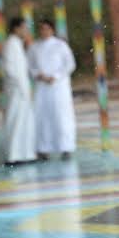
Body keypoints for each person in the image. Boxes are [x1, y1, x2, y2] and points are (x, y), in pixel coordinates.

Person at [28, 19, 76, 160]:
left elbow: (70, 64)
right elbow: (30, 66)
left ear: (52, 30)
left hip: (59, 87)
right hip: (42, 88)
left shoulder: (61, 45)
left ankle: (66, 147)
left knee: (61, 116)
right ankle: (43, 149)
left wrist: (55, 76)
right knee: (42, 117)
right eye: (42, 29)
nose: (44, 31)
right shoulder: (34, 47)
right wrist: (38, 75)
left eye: (47, 29)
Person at [2, 17, 36, 166]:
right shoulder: (11, 44)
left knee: (24, 122)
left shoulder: (17, 44)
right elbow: (10, 70)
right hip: (16, 90)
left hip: (22, 90)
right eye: (24, 28)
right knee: (16, 121)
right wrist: (21, 88)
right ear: (16, 29)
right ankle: (13, 155)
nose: (26, 31)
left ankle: (25, 154)